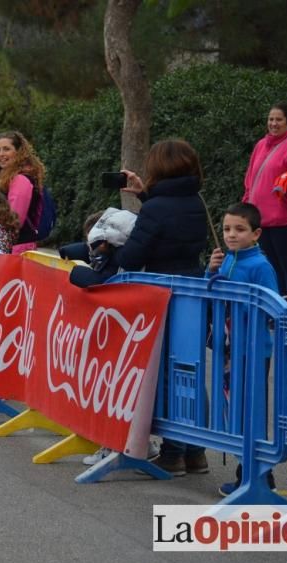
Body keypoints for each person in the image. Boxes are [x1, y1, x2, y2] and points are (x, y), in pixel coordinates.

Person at [115, 138, 210, 475]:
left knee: (166, 373)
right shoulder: (197, 201)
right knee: (189, 370)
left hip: (162, 294)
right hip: (193, 289)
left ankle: (173, 452)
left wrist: (110, 248)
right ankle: (196, 450)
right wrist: (144, 195)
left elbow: (133, 256)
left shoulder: (157, 209)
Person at [204, 202, 280, 496]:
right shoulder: (224, 259)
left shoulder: (260, 266)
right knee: (233, 409)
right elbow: (208, 292)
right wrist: (210, 272)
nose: (231, 235)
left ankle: (256, 475)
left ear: (256, 233)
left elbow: (273, 306)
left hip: (252, 351)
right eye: (226, 229)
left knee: (250, 412)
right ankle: (249, 472)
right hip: (228, 350)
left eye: (239, 229)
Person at [242, 102, 287, 300]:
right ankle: (277, 310)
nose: (273, 123)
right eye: (270, 119)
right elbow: (250, 177)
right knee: (272, 268)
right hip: (262, 219)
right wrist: (247, 204)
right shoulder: (260, 145)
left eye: (278, 119)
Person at [0, 130, 46, 245]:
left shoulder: (20, 180)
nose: (1, 154)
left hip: (16, 248)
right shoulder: (5, 179)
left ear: (19, 152)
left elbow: (14, 221)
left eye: (6, 149)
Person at [67, 207, 138, 288]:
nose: (89, 246)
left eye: (91, 242)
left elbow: (104, 285)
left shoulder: (118, 258)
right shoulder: (119, 249)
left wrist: (74, 273)